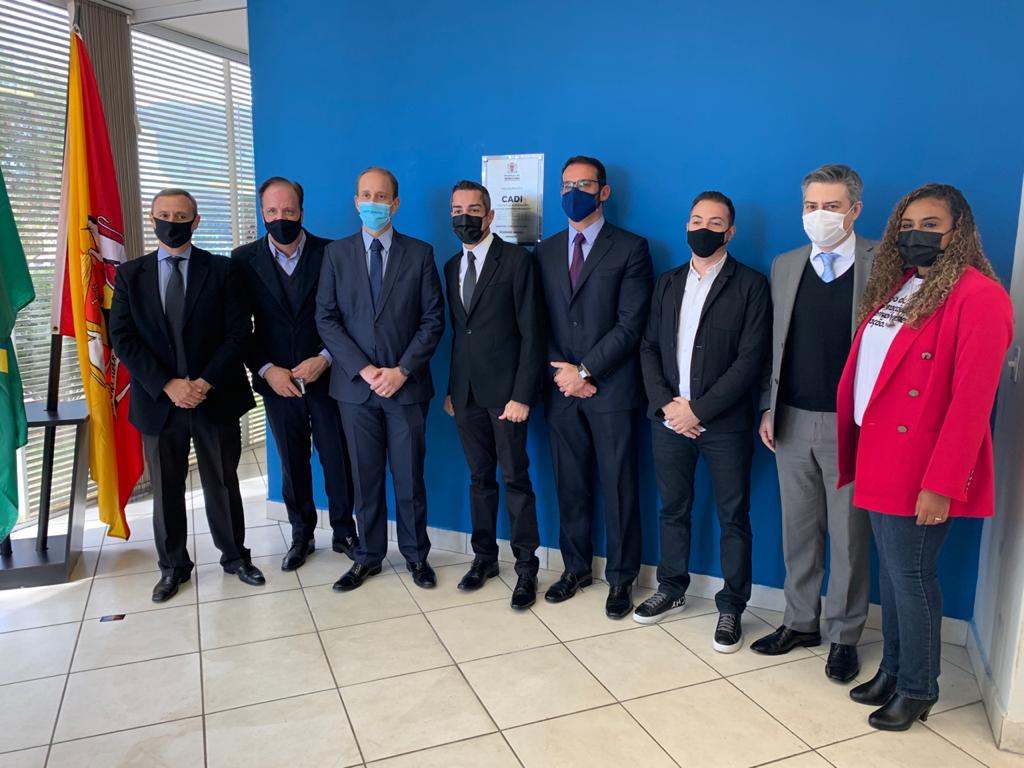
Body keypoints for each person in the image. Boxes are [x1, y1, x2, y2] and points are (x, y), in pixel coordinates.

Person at [838, 183, 1012, 730]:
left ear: (958, 232)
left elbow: (972, 403)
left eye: (931, 225)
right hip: (879, 451)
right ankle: (893, 669)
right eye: (909, 225)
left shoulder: (980, 296)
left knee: (911, 576)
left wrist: (942, 483)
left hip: (921, 464)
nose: (917, 234)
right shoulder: (905, 285)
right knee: (893, 575)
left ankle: (918, 688)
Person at [751, 164, 877, 682]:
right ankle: (800, 621)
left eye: (830, 206)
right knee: (798, 530)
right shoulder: (785, 265)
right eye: (810, 206)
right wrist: (768, 406)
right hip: (792, 420)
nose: (818, 215)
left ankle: (844, 635)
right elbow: (772, 345)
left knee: (849, 537)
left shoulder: (882, 263)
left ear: (854, 210)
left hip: (853, 425)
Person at [109, 188, 264, 603]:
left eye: (181, 217)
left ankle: (235, 557)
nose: (172, 223)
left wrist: (203, 382)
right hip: (159, 401)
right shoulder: (130, 275)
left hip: (215, 395)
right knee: (166, 489)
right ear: (152, 219)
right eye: (164, 215)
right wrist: (168, 384)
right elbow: (122, 338)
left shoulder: (223, 270)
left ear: (196, 222)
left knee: (223, 483)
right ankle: (173, 567)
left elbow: (239, 333)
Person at [635, 191, 770, 653]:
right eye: (696, 220)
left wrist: (699, 410)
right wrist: (668, 406)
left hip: (724, 425)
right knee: (673, 508)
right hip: (669, 420)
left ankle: (731, 605)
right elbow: (649, 348)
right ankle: (671, 587)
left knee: (733, 516)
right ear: (686, 226)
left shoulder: (751, 285)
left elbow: (750, 360)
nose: (703, 229)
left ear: (730, 232)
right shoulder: (668, 282)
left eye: (715, 223)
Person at [316, 167, 445, 592]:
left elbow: (432, 320)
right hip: (355, 389)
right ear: (356, 202)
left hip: (406, 388)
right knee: (365, 478)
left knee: (409, 479)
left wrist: (402, 370)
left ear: (395, 203)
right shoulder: (335, 254)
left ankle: (416, 556)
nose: (373, 203)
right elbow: (327, 319)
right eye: (366, 195)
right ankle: (368, 556)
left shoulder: (420, 254)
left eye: (382, 196)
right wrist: (364, 369)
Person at [535, 155, 653, 619]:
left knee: (619, 486)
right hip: (561, 391)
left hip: (612, 391)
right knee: (570, 484)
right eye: (566, 185)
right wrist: (562, 374)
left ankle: (621, 579)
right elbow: (538, 321)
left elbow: (630, 324)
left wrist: (584, 372)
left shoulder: (631, 248)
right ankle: (575, 569)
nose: (573, 193)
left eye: (584, 184)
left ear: (604, 191)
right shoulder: (545, 250)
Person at [232, 177, 357, 572]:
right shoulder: (242, 260)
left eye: (288, 210)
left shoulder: (333, 253)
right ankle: (301, 534)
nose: (280, 217)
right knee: (292, 461)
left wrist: (326, 358)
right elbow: (239, 328)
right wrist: (267, 370)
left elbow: (348, 316)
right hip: (278, 383)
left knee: (337, 458)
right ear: (262, 213)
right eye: (272, 211)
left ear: (302, 212)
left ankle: (344, 531)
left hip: (327, 377)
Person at [442, 180, 545, 610]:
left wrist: (522, 394)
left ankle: (526, 567)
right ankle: (484, 558)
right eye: (456, 210)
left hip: (506, 397)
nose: (464, 217)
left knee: (515, 479)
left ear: (489, 216)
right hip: (465, 395)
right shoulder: (451, 265)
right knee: (479, 479)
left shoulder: (518, 261)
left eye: (472, 210)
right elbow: (460, 335)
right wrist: (452, 390)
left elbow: (532, 333)